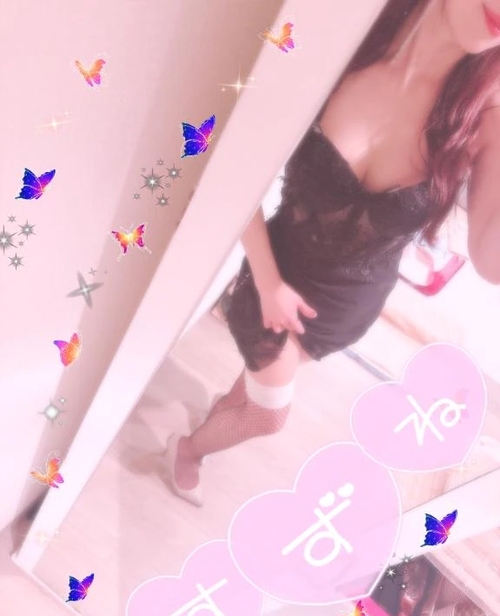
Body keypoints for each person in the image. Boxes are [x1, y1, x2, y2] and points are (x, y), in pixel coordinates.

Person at [163, 0, 500, 506]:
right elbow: (235, 157)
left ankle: (221, 414)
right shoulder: (345, 32)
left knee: (256, 386)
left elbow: (491, 261)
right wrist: (268, 282)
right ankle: (187, 449)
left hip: (348, 308)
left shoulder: (483, 121)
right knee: (267, 415)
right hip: (276, 270)